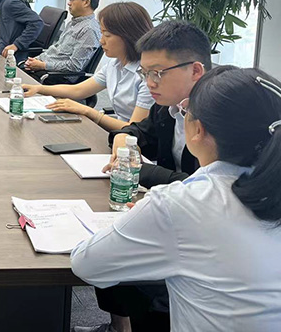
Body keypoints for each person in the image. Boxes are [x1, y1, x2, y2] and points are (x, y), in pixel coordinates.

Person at [72, 66, 281, 332]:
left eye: (185, 111)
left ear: (198, 130)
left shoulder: (182, 203)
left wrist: (144, 217)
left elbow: (86, 264)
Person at [74, 20, 211, 332]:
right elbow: (138, 132)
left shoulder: (218, 119)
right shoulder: (169, 107)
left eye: (157, 73)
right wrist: (124, 138)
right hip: (175, 215)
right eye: (145, 73)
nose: (149, 83)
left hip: (202, 237)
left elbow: (208, 187)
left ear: (195, 71)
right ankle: (120, 326)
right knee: (110, 242)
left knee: (118, 260)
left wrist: (142, 171)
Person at [23, 2, 154, 132]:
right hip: (120, 135)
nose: (101, 41)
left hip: (136, 140)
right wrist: (38, 88)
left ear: (128, 36)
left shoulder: (148, 76)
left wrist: (89, 112)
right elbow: (78, 90)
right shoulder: (115, 65)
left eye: (107, 35)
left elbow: (135, 129)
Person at [24, 0, 101, 76]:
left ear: (86, 2)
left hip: (56, 76)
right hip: (45, 67)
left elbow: (75, 66)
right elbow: (56, 51)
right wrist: (37, 60)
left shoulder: (89, 30)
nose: (69, 3)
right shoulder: (73, 23)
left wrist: (43, 65)